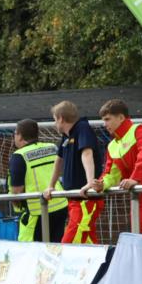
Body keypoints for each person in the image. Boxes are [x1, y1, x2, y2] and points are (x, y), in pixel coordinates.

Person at [82, 99, 142, 236]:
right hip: (137, 197)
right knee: (140, 239)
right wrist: (101, 184)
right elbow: (111, 174)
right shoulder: (112, 145)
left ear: (121, 117)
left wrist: (134, 178)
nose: (104, 124)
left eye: (107, 119)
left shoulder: (139, 130)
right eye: (103, 120)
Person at [43, 100, 105, 244]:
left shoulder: (82, 128)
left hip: (85, 200)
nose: (54, 124)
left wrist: (90, 182)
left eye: (54, 120)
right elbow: (58, 160)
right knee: (88, 242)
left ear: (61, 118)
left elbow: (87, 153)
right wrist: (51, 186)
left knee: (68, 245)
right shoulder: (66, 135)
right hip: (74, 200)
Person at [8, 119, 68, 242]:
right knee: (55, 248)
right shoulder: (51, 147)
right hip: (60, 205)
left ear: (20, 136)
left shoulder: (19, 155)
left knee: (30, 248)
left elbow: (17, 191)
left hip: (37, 210)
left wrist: (15, 201)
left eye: (15, 134)